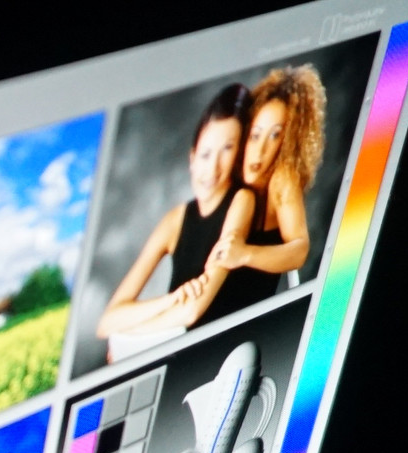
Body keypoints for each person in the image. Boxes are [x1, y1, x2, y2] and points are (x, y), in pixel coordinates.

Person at [94, 84, 257, 347]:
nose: (212, 169)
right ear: (192, 158)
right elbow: (107, 322)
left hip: (225, 350)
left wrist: (127, 337)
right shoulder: (175, 220)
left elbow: (192, 310)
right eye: (205, 154)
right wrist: (170, 300)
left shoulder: (242, 201)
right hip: (179, 353)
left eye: (227, 150)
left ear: (238, 155)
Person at [204, 65, 325, 302]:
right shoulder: (230, 171)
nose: (260, 150)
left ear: (288, 142)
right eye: (255, 135)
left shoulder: (281, 178)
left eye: (275, 136)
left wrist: (244, 254)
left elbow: (299, 250)